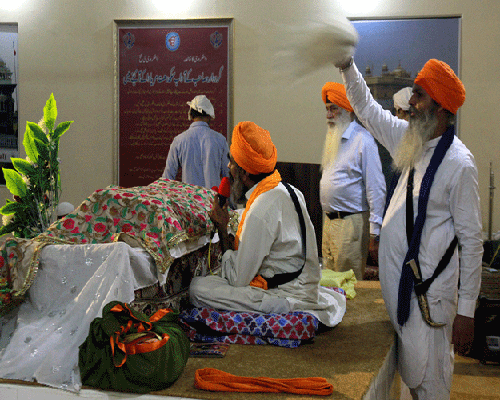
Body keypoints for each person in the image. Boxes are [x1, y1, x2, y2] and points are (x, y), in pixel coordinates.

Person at [335, 56, 483, 399]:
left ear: (441, 107)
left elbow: (472, 243)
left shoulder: (460, 163)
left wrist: (466, 312)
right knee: (412, 387)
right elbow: (368, 110)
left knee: (430, 387)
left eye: (419, 95)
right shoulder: (409, 138)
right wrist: (346, 67)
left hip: (431, 302)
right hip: (404, 298)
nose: (410, 102)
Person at [189, 121, 345, 327]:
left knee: (198, 289)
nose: (228, 167)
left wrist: (222, 227)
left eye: (232, 162)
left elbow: (239, 280)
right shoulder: (288, 190)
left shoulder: (261, 209)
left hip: (284, 295)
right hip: (301, 286)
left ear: (244, 173)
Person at [319, 82, 386, 280]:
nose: (328, 115)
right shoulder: (333, 137)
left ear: (348, 110)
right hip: (329, 222)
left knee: (348, 287)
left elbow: (377, 188)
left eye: (333, 109)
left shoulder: (363, 140)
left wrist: (374, 231)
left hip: (352, 225)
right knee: (329, 285)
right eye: (327, 109)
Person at [162, 95, 230, 189]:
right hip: (214, 201)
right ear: (209, 115)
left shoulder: (179, 140)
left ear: (191, 115)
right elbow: (228, 176)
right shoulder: (220, 140)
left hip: (189, 201)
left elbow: (167, 178)